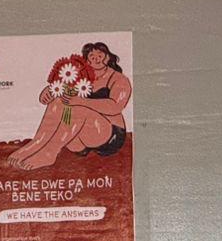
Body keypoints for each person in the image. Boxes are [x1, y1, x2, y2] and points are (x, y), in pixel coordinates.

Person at [7, 41, 132, 171]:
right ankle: (36, 143)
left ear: (108, 57)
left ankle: (49, 153)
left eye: (100, 56)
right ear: (87, 59)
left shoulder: (118, 79)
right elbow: (63, 89)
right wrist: (50, 91)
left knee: (79, 109)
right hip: (78, 139)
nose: (96, 59)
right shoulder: (81, 75)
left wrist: (81, 101)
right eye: (92, 56)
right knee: (59, 100)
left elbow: (115, 106)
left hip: (108, 135)